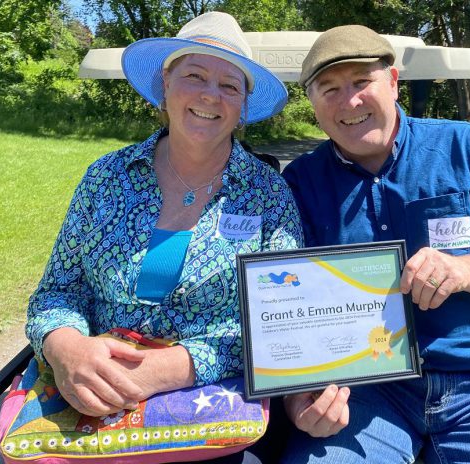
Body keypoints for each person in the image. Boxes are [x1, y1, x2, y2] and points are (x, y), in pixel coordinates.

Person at [280, 25, 470, 463]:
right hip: (367, 391)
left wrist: (467, 270)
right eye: (329, 89)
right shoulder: (299, 182)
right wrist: (297, 397)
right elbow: (284, 305)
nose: (350, 101)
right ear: (313, 105)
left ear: (393, 82)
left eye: (362, 82)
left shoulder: (468, 147)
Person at [24, 10, 302, 444]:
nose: (211, 95)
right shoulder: (105, 177)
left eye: (229, 85)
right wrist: (66, 349)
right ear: (165, 86)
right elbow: (58, 291)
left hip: (211, 415)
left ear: (242, 108)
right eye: (195, 75)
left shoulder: (269, 196)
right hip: (89, 407)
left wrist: (163, 371)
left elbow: (280, 321)